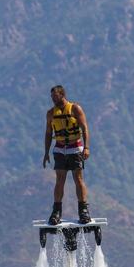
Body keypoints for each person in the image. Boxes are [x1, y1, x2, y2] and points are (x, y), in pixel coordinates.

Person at [42, 85, 91, 225]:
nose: (53, 99)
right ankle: (56, 211)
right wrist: (46, 153)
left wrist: (86, 147)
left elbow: (85, 129)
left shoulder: (75, 109)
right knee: (60, 180)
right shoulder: (51, 113)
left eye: (55, 96)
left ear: (62, 95)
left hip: (75, 148)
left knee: (78, 178)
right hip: (59, 149)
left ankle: (83, 210)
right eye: (51, 97)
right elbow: (48, 134)